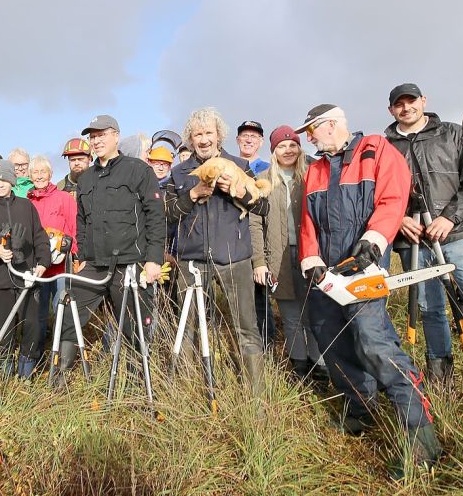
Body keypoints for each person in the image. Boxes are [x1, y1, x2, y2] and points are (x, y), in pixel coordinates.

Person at [296, 103, 441, 475]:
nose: (309, 138)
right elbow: (307, 222)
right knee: (331, 340)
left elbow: (394, 198)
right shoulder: (315, 169)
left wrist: (375, 239)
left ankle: (421, 436)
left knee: (373, 342)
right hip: (325, 274)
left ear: (330, 125)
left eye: (311, 130)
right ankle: (359, 410)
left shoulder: (375, 148)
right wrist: (310, 258)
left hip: (365, 265)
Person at [384, 83, 463, 394]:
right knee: (430, 308)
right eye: (399, 104)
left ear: (423, 101)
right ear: (391, 110)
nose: (406, 107)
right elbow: (379, 192)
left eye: (411, 101)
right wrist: (398, 220)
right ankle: (440, 378)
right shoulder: (385, 147)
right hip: (415, 243)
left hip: (461, 234)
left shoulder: (453, 134)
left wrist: (450, 216)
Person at [165, 107, 268, 394]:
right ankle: (187, 392)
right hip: (191, 262)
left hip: (235, 257)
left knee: (246, 327)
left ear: (219, 135)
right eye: (198, 134)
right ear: (190, 138)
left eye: (209, 132)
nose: (204, 139)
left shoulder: (239, 164)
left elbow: (263, 206)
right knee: (186, 329)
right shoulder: (180, 172)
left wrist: (238, 192)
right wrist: (192, 195)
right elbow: (168, 214)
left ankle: (255, 398)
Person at [66, 115, 163, 381]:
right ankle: (61, 379)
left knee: (135, 328)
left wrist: (153, 259)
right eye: (92, 137)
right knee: (69, 314)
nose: (96, 141)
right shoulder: (85, 179)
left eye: (101, 135)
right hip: (95, 265)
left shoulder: (138, 170)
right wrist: (82, 257)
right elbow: (82, 222)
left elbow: (155, 215)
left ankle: (135, 389)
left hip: (131, 263)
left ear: (116, 136)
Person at [251, 126, 326, 386]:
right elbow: (254, 224)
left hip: (313, 256)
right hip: (278, 258)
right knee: (291, 316)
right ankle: (300, 365)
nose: (288, 150)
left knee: (314, 313)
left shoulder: (313, 175)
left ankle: (321, 366)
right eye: (282, 146)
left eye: (292, 144)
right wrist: (259, 262)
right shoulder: (262, 180)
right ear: (273, 151)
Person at [0, 160, 49, 378]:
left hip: (27, 279)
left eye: (4, 179)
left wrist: (42, 263)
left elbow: (41, 239)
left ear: (12, 181)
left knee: (31, 327)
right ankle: (5, 377)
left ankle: (26, 375)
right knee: (3, 331)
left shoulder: (26, 207)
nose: (0, 184)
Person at [27, 155, 78, 362]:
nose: (39, 176)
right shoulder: (26, 202)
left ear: (50, 174)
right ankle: (36, 358)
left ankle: (61, 361)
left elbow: (75, 228)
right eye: (35, 172)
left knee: (62, 311)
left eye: (43, 172)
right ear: (30, 176)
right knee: (37, 315)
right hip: (38, 267)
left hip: (60, 268)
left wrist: (76, 255)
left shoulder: (64, 198)